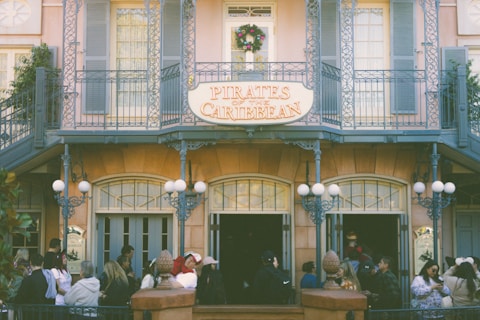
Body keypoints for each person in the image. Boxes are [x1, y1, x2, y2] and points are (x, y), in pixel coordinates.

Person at [15, 253, 54, 320]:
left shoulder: (28, 280)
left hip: (30, 314)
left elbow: (20, 298)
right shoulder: (49, 279)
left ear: (30, 263)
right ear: (42, 263)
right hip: (46, 314)